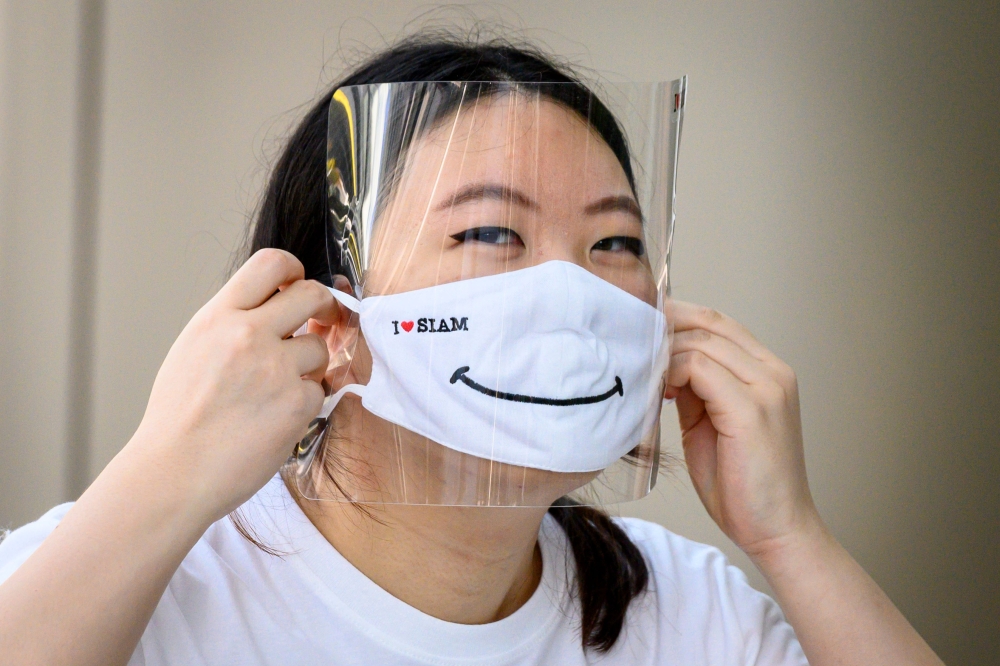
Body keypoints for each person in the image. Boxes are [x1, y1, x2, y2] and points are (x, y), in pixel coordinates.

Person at [0, 36, 943, 666]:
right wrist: (165, 474)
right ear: (329, 316)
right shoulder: (126, 576)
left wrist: (791, 539)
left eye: (615, 242)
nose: (571, 293)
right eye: (492, 232)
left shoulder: (686, 611)